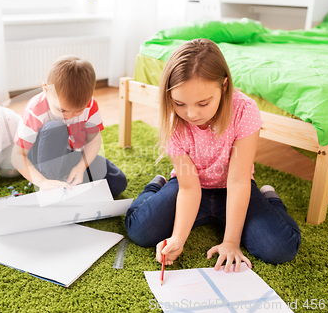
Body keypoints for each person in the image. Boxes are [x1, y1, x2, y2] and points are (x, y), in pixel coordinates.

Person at [125, 39, 301, 272]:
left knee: (280, 247)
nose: (191, 114)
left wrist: (231, 242)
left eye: (203, 103)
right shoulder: (174, 123)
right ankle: (155, 187)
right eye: (179, 103)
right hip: (189, 187)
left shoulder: (244, 111)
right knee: (140, 230)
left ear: (224, 86)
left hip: (235, 188)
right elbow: (188, 189)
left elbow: (238, 181)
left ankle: (271, 200)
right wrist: (178, 238)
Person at [12, 55, 127, 197]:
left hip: (74, 154)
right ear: (46, 90)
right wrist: (42, 182)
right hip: (44, 159)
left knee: (118, 183)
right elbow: (17, 155)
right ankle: (51, 184)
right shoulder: (35, 110)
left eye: (79, 110)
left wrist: (81, 167)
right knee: (56, 128)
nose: (70, 117)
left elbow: (94, 140)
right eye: (62, 110)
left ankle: (67, 182)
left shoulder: (90, 104)